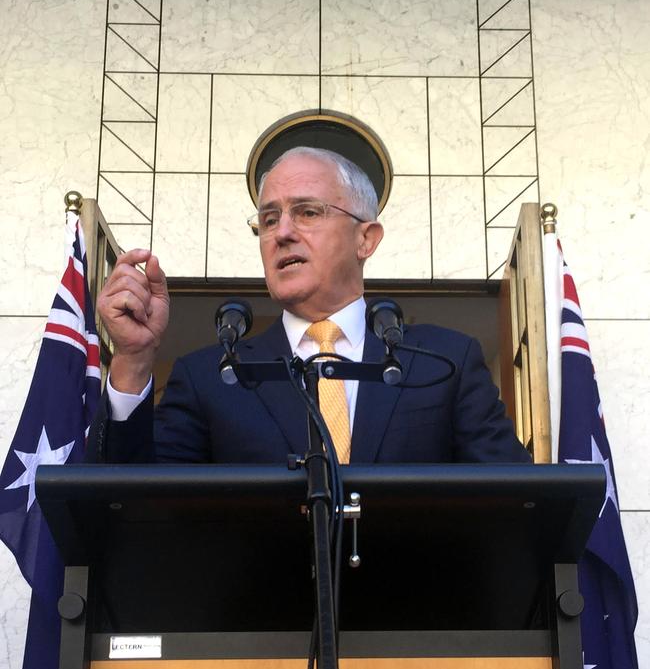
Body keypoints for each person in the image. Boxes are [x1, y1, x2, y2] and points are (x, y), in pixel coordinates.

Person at [89, 146, 529, 465]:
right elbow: (138, 509)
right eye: (268, 218)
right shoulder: (210, 377)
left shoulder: (446, 362)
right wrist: (133, 360)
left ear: (365, 239)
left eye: (308, 212)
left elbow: (514, 505)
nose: (281, 233)